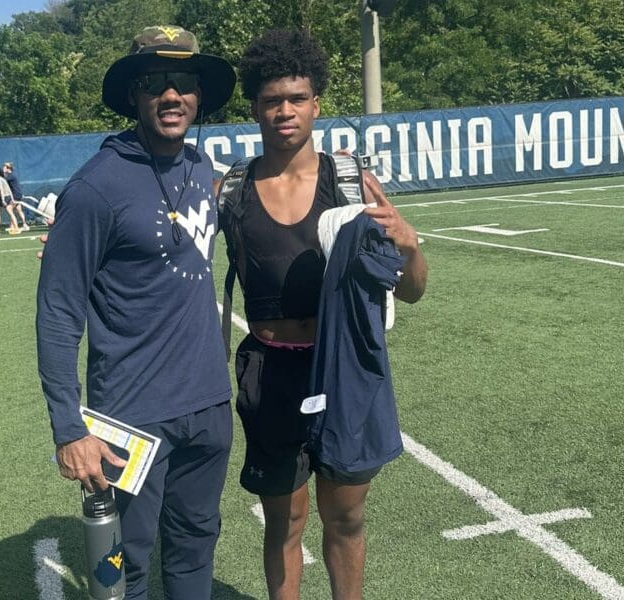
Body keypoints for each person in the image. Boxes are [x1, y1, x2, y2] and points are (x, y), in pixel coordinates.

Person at [220, 29, 428, 600]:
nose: (284, 111)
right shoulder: (232, 191)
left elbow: (411, 292)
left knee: (346, 520)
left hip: (344, 373)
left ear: (316, 103)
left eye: (296, 98)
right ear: (255, 107)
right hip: (271, 374)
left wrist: (409, 245)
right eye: (271, 100)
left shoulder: (349, 182)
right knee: (284, 523)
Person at [35, 26, 237, 600]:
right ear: (134, 95)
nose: (171, 96)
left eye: (183, 82)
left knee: (196, 548)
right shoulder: (95, 189)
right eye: (155, 83)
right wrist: (68, 428)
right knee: (128, 567)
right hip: (131, 418)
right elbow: (56, 312)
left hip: (208, 405)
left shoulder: (202, 170)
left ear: (199, 95)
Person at [0, 167, 21, 236]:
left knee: (7, 212)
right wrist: (12, 199)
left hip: (4, 197)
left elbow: (1, 190)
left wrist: (3, 200)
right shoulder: (3, 179)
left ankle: (16, 228)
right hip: (7, 197)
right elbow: (9, 190)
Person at [2, 162, 30, 231]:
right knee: (18, 210)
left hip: (16, 195)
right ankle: (23, 225)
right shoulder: (10, 175)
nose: (3, 168)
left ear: (8, 168)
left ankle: (15, 227)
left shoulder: (10, 176)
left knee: (9, 208)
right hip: (18, 194)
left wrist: (2, 173)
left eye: (4, 167)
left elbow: (3, 180)